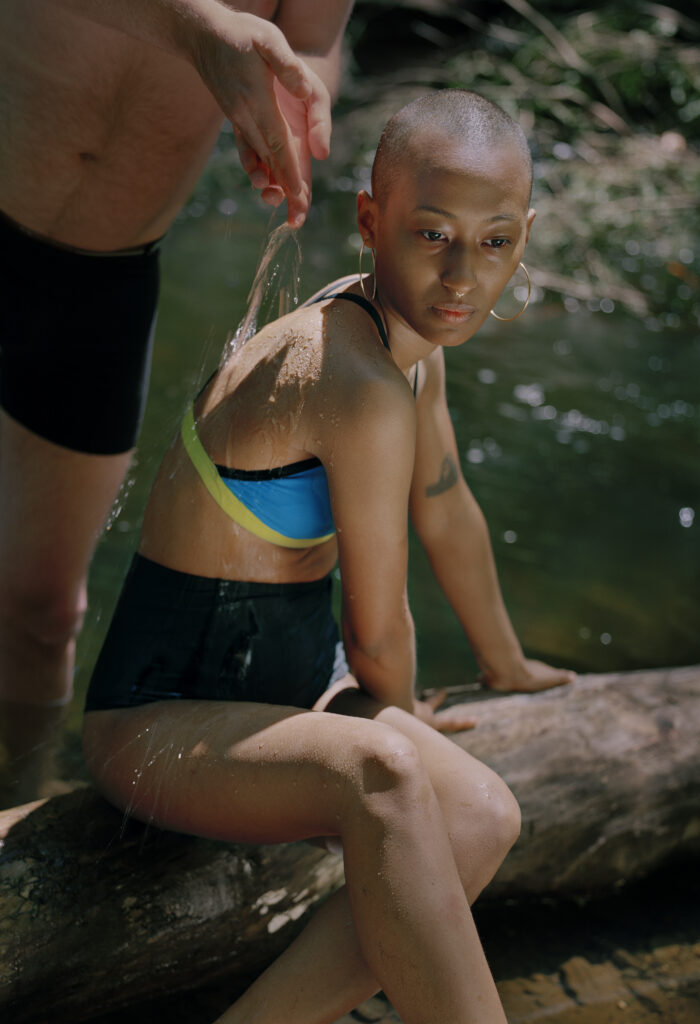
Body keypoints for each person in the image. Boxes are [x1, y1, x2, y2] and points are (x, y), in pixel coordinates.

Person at [82, 89, 575, 1023]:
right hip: (155, 725)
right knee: (384, 775)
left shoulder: (413, 352)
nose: (463, 276)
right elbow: (378, 631)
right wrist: (389, 714)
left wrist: (505, 665)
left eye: (496, 240)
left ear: (525, 234)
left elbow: (447, 507)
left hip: (289, 693)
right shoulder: (350, 376)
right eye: (432, 236)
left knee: (483, 815)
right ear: (371, 217)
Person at [0, 0, 354, 806]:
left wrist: (288, 101)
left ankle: (18, 807)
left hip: (101, 280)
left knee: (40, 609)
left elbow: (314, 39)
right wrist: (195, 26)